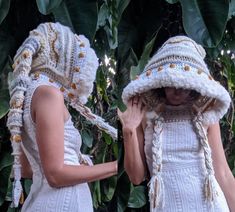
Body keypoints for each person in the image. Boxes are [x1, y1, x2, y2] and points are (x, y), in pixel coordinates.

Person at [7, 22, 117, 212]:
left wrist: (75, 162)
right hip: (63, 202)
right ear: (63, 58)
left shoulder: (25, 96)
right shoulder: (48, 94)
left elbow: (27, 168)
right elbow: (56, 175)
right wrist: (115, 166)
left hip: (40, 199)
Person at [118, 35, 235, 211]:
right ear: (162, 81)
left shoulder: (205, 113)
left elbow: (223, 173)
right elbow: (136, 177)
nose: (178, 91)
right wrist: (129, 131)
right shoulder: (145, 115)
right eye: (172, 82)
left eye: (185, 84)